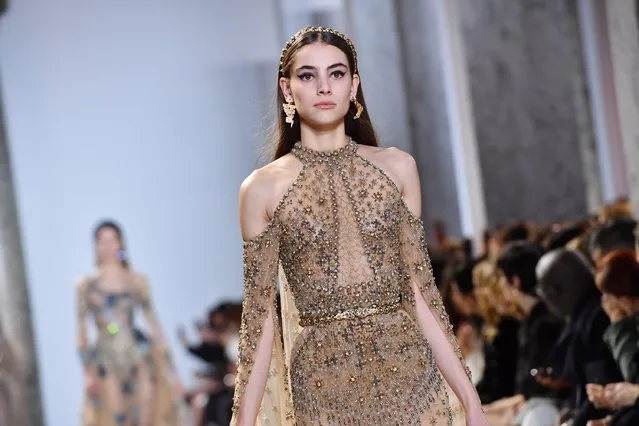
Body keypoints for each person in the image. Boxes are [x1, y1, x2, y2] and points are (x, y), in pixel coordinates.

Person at [230, 26, 487, 425]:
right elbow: (260, 319)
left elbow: (421, 292)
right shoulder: (261, 189)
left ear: (354, 85)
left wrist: (471, 402)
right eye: (307, 75)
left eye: (336, 73)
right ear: (286, 89)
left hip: (411, 374)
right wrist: (243, 422)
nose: (323, 87)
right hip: (323, 383)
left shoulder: (397, 167)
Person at [76, 220, 184, 426]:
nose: (108, 246)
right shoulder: (86, 285)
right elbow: (81, 331)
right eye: (102, 241)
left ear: (121, 243)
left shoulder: (137, 281)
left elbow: (154, 324)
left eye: (113, 240)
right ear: (95, 245)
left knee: (146, 418)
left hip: (140, 355)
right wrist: (86, 374)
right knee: (118, 419)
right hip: (105, 360)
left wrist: (173, 372)